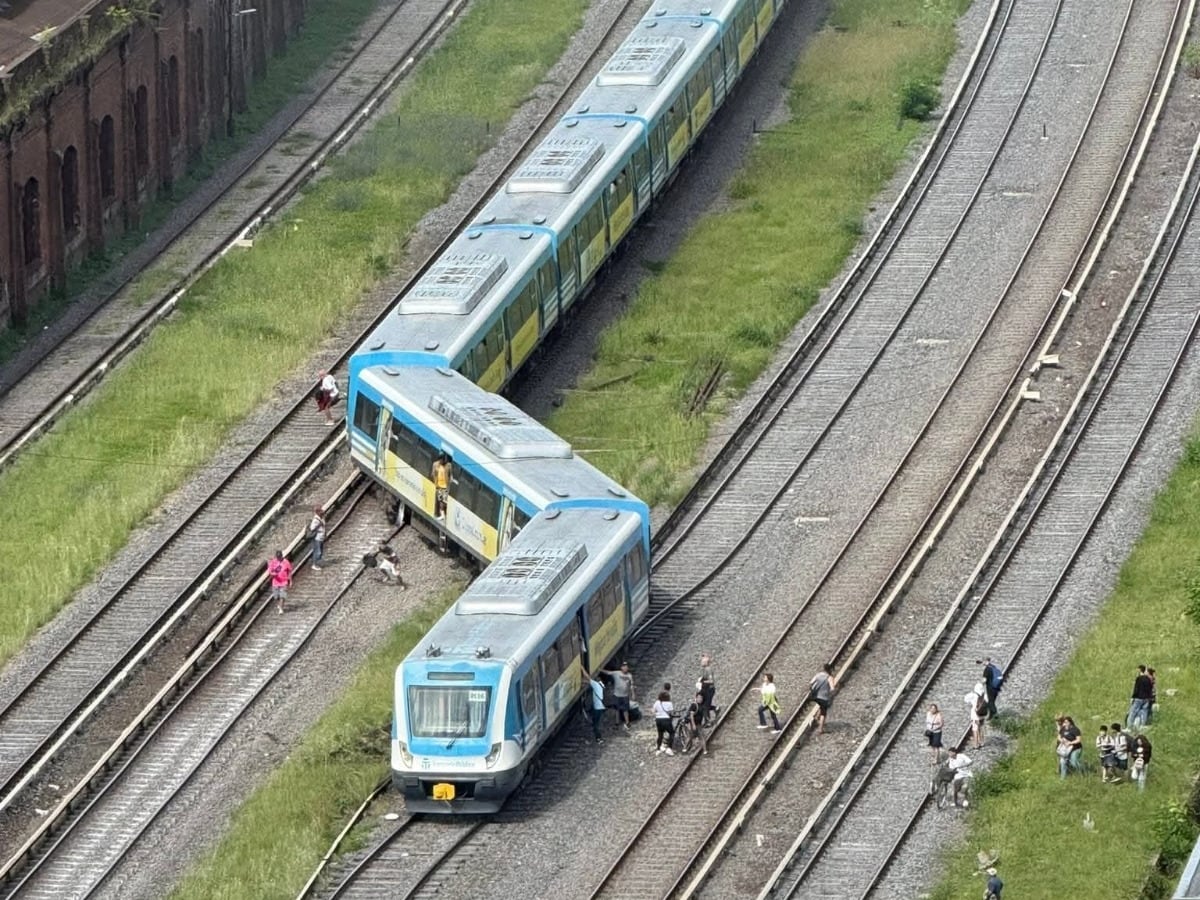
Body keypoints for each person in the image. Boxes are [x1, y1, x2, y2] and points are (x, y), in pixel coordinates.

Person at [600, 662, 635, 731]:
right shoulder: (616, 673)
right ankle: (617, 723)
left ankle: (627, 723)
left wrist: (633, 694)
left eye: (626, 666)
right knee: (617, 710)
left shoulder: (629, 675)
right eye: (624, 666)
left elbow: (631, 685)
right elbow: (608, 673)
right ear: (621, 668)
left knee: (625, 710)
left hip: (625, 695)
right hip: (617, 695)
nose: (625, 668)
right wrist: (599, 669)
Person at [809, 664, 836, 734]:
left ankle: (815, 719)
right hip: (824, 697)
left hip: (816, 696)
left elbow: (811, 682)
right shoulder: (830, 678)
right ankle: (820, 729)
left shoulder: (818, 675)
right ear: (830, 670)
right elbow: (832, 688)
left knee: (821, 706)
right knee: (823, 713)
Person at [1128, 665, 1153, 729]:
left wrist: (1133, 697)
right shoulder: (1148, 679)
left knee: (1133, 711)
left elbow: (1136, 689)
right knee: (1144, 712)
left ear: (1139, 670)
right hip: (1146, 698)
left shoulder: (1138, 679)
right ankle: (1142, 725)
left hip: (1139, 698)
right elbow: (1150, 688)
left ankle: (1129, 726)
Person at [653, 690, 675, 756]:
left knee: (660, 734)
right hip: (666, 720)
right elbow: (671, 712)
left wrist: (658, 713)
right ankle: (669, 748)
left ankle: (658, 749)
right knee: (671, 733)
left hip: (658, 720)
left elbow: (654, 711)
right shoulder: (669, 703)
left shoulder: (657, 702)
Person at [686, 691, 708, 755]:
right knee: (690, 737)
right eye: (699, 698)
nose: (700, 699)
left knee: (702, 737)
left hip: (699, 724)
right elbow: (691, 715)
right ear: (696, 698)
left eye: (701, 698)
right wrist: (693, 725)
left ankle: (705, 750)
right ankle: (685, 748)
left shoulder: (702, 706)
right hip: (693, 724)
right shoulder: (694, 705)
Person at [697, 654, 716, 725]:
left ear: (706, 662)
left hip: (710, 690)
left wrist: (702, 681)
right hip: (706, 690)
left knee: (705, 706)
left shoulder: (708, 669)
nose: (701, 662)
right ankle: (715, 709)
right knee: (704, 705)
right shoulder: (705, 670)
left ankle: (708, 721)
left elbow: (711, 681)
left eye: (702, 661)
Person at [587, 672, 606, 744]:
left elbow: (588, 678)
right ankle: (597, 735)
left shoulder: (595, 685)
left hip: (597, 708)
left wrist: (582, 668)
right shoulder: (601, 685)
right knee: (596, 721)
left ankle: (599, 738)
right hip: (600, 707)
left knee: (596, 724)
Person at [432, 454, 451, 519]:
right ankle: (440, 514)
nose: (442, 461)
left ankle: (442, 514)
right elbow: (434, 474)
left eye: (443, 460)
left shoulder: (448, 466)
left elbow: (449, 475)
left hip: (445, 486)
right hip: (439, 485)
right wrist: (436, 483)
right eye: (441, 460)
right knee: (440, 501)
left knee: (443, 502)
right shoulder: (436, 465)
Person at [968, 683, 987, 749]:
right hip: (982, 715)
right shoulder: (984, 695)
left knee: (975, 729)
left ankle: (976, 744)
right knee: (981, 728)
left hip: (975, 715)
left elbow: (966, 700)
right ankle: (981, 742)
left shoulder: (973, 695)